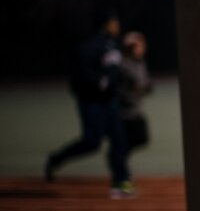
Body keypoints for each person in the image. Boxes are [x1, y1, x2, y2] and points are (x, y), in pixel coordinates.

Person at [44, 12, 134, 198]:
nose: (117, 25)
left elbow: (116, 71)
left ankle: (121, 181)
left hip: (110, 102)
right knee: (92, 142)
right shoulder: (89, 45)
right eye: (113, 21)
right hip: (92, 102)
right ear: (105, 23)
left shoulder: (114, 44)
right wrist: (100, 84)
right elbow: (82, 76)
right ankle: (55, 159)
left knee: (120, 140)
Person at [118, 31, 153, 158]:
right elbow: (128, 85)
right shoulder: (123, 64)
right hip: (124, 113)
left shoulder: (140, 63)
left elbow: (145, 85)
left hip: (136, 110)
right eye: (136, 45)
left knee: (141, 139)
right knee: (125, 142)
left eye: (141, 45)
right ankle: (118, 163)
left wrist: (144, 87)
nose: (140, 47)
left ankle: (119, 158)